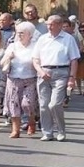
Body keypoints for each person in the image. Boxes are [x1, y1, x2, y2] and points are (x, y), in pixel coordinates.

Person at [32, 13, 80, 142]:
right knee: (43, 105)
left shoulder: (68, 39)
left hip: (61, 72)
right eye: (48, 24)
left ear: (59, 25)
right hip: (44, 72)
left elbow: (74, 60)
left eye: (52, 24)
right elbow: (35, 59)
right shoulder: (42, 39)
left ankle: (60, 130)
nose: (49, 27)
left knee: (54, 104)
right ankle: (47, 132)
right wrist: (41, 72)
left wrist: (72, 77)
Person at [1, 23, 39, 137]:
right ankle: (15, 130)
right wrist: (8, 57)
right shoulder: (13, 46)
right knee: (14, 104)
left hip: (30, 79)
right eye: (18, 33)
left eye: (22, 33)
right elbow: (2, 63)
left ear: (30, 34)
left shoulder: (35, 46)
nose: (19, 35)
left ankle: (31, 121)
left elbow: (39, 61)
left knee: (27, 104)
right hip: (13, 78)